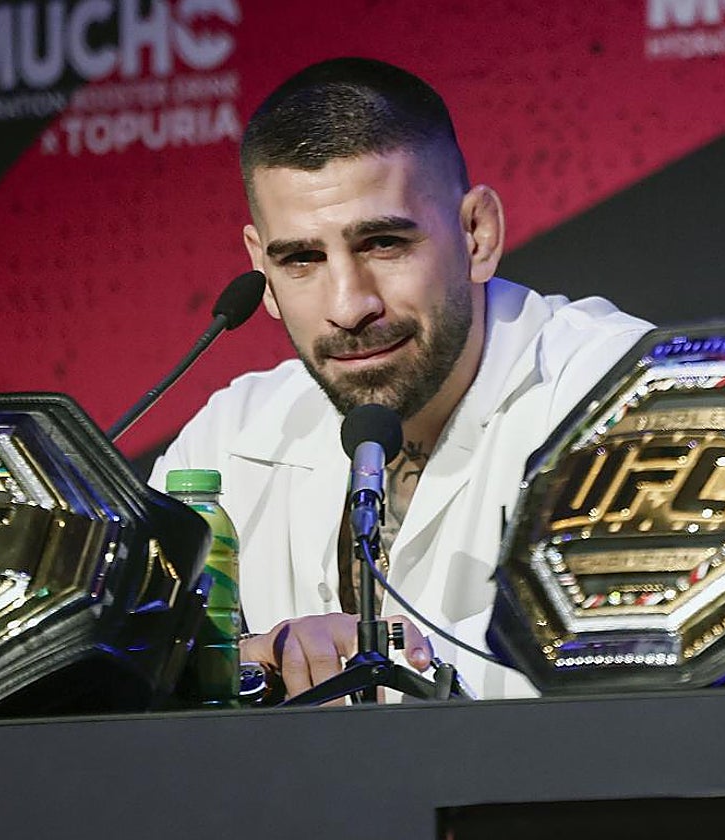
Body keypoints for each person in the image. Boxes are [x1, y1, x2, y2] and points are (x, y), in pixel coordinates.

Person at [149, 57, 650, 700]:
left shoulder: (613, 391)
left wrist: (375, 665)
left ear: (477, 234)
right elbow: (133, 673)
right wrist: (249, 659)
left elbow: (625, 661)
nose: (349, 305)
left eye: (383, 244)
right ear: (261, 272)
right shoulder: (232, 434)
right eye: (301, 259)